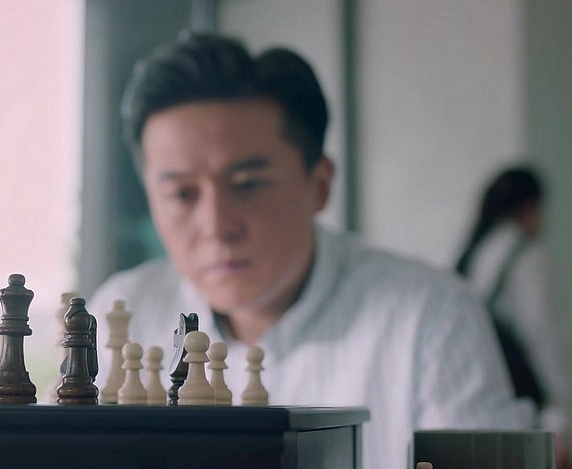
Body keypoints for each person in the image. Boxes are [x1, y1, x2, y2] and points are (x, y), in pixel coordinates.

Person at [87, 32, 532, 468]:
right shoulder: (120, 314)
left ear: (319, 185)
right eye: (183, 194)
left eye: (248, 184)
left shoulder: (433, 317)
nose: (217, 227)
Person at [456, 166, 570, 466]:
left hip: (477, 405)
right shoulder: (528, 254)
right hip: (523, 407)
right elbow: (542, 337)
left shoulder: (474, 252)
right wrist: (558, 415)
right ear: (530, 207)